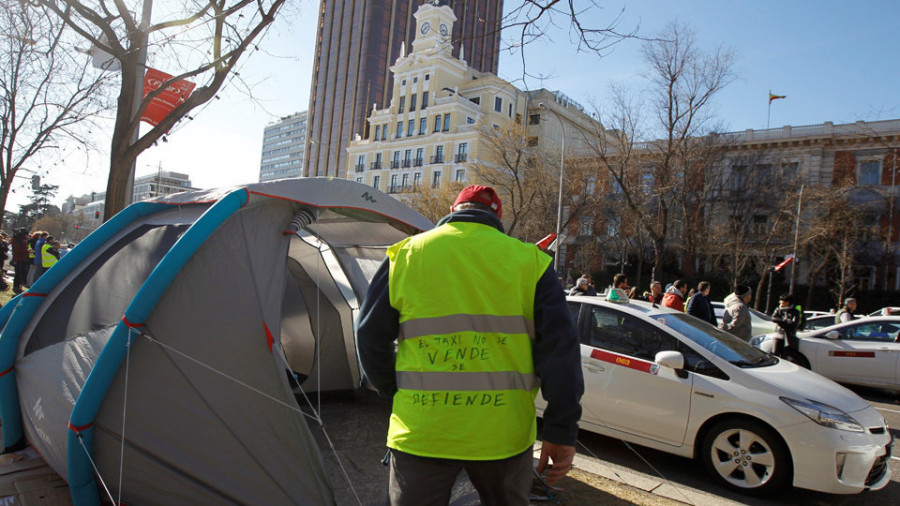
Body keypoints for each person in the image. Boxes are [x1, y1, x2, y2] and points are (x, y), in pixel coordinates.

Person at [356, 185, 584, 506]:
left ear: (454, 209)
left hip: (423, 430)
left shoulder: (407, 254)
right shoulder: (530, 262)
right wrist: (561, 431)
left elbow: (368, 336)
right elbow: (560, 354)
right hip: (503, 436)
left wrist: (393, 389)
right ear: (498, 216)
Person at [771, 293, 801, 359]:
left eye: (782, 301)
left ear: (787, 302)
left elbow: (793, 324)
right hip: (779, 335)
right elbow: (774, 318)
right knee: (775, 354)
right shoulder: (778, 309)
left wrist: (781, 322)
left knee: (787, 355)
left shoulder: (795, 311)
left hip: (789, 336)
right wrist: (785, 322)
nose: (780, 302)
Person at [11, 228, 30, 294]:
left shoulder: (21, 240)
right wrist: (27, 251)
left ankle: (19, 286)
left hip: (22, 259)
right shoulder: (17, 240)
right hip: (19, 259)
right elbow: (18, 250)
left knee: (21, 273)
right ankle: (16, 287)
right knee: (18, 273)